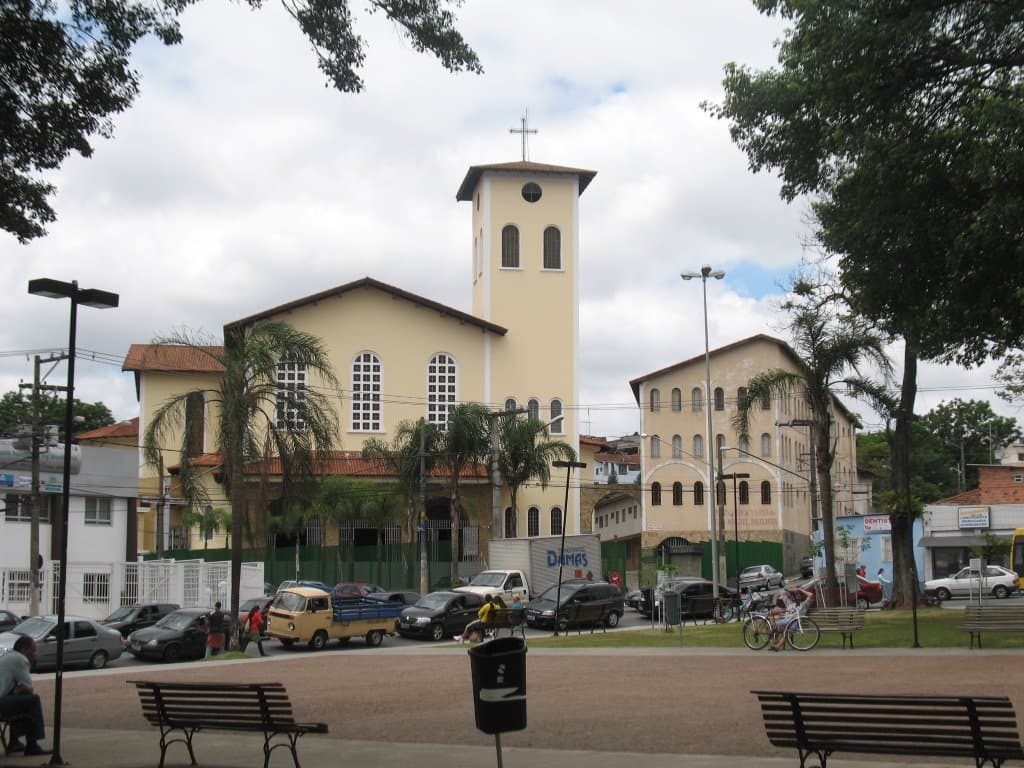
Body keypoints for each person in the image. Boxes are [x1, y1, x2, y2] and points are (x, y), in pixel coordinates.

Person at [0, 635, 51, 756]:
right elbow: (29, 689)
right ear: (23, 650)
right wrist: (19, 691)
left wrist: (17, 691)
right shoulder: (20, 659)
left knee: (19, 701)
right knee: (33, 700)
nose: (35, 653)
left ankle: (14, 742)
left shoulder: (8, 657)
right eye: (33, 650)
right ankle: (32, 745)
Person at [769, 586, 814, 651]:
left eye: (799, 595)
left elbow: (811, 595)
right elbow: (782, 592)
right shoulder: (789, 603)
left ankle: (777, 646)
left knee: (788, 630)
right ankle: (774, 643)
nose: (798, 597)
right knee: (772, 625)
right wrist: (793, 590)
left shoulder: (804, 605)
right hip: (785, 621)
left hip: (794, 622)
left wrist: (800, 590)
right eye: (796, 595)